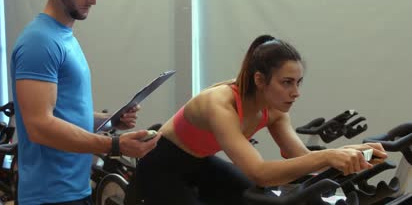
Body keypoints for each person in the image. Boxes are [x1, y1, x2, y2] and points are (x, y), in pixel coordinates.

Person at [135, 35, 388, 205]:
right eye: (286, 82)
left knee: (255, 199)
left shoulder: (275, 109)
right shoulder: (220, 103)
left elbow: (300, 158)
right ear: (259, 80)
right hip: (161, 165)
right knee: (257, 187)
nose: (296, 92)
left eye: (298, 82)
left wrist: (351, 153)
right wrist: (328, 156)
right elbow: (260, 173)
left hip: (200, 162)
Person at [10, 0, 160, 204]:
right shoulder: (40, 42)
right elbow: (40, 127)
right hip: (50, 196)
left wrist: (109, 120)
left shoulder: (63, 36)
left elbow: (64, 114)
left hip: (74, 188)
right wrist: (114, 145)